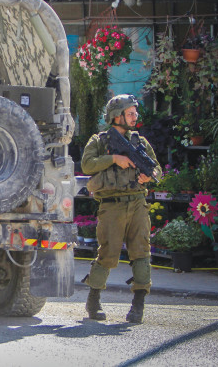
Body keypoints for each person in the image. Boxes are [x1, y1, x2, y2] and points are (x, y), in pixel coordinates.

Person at [81, 94, 161, 323]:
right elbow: (87, 165)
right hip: (112, 205)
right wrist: (114, 158)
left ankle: (138, 304)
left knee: (141, 253)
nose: (135, 117)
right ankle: (93, 299)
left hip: (137, 202)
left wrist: (150, 176)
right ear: (117, 116)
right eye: (131, 113)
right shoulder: (99, 141)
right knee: (107, 253)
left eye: (135, 113)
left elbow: (158, 170)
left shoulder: (141, 142)